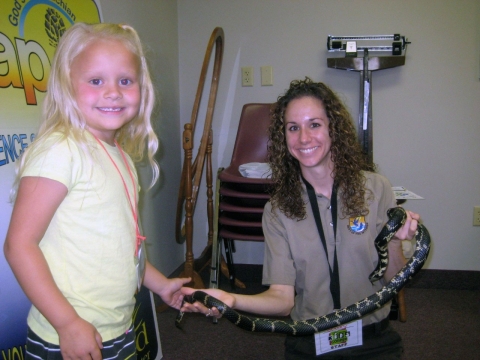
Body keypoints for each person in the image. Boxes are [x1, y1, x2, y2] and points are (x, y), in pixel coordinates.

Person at [182, 78, 420, 359]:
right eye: (293, 128)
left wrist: (395, 243)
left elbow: (395, 281)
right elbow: (282, 300)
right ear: (284, 137)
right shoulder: (278, 209)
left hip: (372, 339)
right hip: (311, 341)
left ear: (334, 129)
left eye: (314, 124)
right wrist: (231, 299)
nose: (304, 138)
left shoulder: (377, 189)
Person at [3, 22, 190, 360]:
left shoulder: (120, 157)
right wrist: (67, 322)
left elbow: (123, 245)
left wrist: (161, 284)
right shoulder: (61, 149)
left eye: (125, 80)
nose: (113, 92)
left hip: (115, 327)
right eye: (95, 81)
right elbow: (19, 245)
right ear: (67, 86)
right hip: (67, 335)